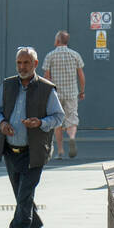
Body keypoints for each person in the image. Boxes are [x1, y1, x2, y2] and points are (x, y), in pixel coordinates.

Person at [0, 46, 64, 228]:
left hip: (34, 154)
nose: (22, 67)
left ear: (35, 64)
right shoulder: (7, 85)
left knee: (23, 198)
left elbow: (58, 117)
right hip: (11, 152)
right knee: (24, 198)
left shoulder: (47, 89)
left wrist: (40, 122)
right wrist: (2, 123)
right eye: (19, 63)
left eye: (27, 63)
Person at [41, 30, 85, 160]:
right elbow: (81, 76)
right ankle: (71, 137)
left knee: (57, 122)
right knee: (72, 118)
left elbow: (46, 77)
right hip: (72, 92)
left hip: (56, 94)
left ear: (57, 41)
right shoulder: (75, 55)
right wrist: (82, 91)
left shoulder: (50, 56)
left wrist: (46, 93)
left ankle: (60, 151)